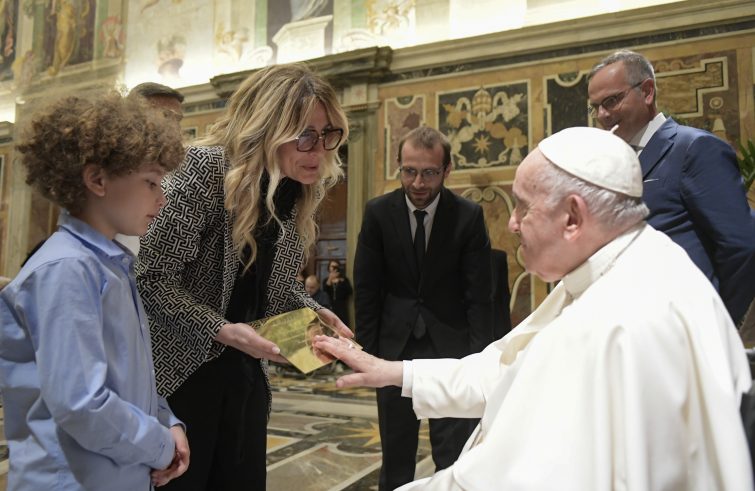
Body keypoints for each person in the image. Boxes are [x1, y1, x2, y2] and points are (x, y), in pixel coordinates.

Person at [316, 126, 753, 490]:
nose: (510, 223)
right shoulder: (622, 264)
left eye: (523, 206)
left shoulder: (619, 321)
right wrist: (395, 371)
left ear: (573, 217)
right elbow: (510, 368)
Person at [136, 63, 352, 490]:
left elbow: (274, 288)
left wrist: (314, 312)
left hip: (244, 377)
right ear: (268, 128)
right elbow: (150, 279)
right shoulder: (204, 169)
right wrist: (221, 330)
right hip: (180, 379)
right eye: (305, 135)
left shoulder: (294, 189)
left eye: (328, 135)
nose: (319, 150)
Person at [0, 92, 189, 489]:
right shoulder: (67, 269)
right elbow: (81, 403)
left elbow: (131, 378)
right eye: (151, 182)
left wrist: (167, 421)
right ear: (98, 180)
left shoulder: (110, 265)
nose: (162, 198)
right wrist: (159, 446)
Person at [354, 125, 494, 490]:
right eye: (409, 171)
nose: (418, 183)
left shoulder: (468, 216)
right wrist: (366, 354)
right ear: (399, 166)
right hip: (394, 349)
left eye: (429, 172)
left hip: (451, 350)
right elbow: (367, 289)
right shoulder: (378, 213)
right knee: (396, 454)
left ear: (447, 170)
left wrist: (479, 358)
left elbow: (479, 295)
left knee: (453, 454)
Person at [587, 49, 755, 325]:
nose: (602, 114)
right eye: (595, 107)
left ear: (647, 91)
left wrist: (716, 322)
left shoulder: (694, 147)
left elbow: (742, 245)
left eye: (611, 101)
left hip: (685, 327)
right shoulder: (614, 160)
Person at [116, 82, 185, 255]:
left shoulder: (176, 169)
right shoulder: (110, 166)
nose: (175, 128)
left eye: (178, 120)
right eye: (166, 116)